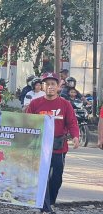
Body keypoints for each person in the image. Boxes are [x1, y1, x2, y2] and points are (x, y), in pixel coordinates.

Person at [26, 72, 79, 213]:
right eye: (47, 84)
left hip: (59, 147)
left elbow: (72, 122)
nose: (50, 87)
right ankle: (44, 205)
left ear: (58, 87)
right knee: (41, 176)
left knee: (56, 177)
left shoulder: (65, 104)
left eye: (53, 84)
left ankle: (51, 202)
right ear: (42, 86)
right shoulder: (35, 104)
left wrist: (75, 136)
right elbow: (27, 123)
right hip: (40, 147)